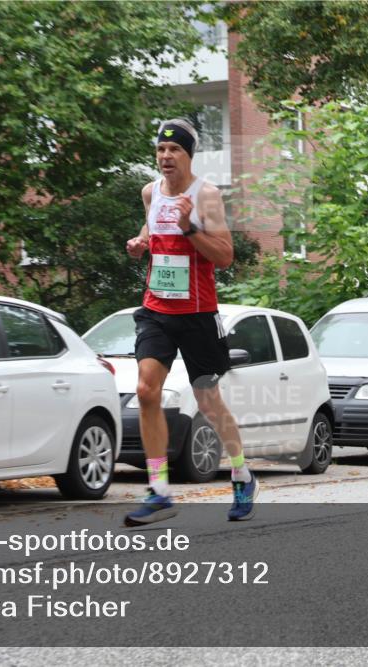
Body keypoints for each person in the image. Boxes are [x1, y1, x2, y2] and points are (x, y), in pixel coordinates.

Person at [123, 119, 257, 525]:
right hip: (157, 310)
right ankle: (160, 489)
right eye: (160, 151)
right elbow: (152, 228)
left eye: (173, 151)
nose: (165, 157)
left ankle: (241, 473)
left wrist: (190, 227)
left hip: (198, 314)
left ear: (188, 155)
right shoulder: (150, 192)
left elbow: (225, 255)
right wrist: (140, 242)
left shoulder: (208, 196)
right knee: (146, 390)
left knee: (207, 401)